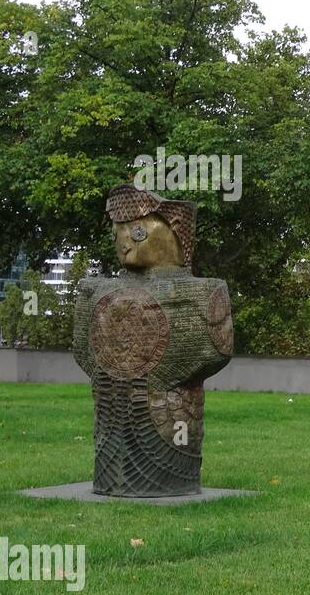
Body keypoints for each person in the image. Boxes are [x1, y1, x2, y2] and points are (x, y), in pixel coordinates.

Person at [72, 185, 233, 496]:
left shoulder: (202, 292)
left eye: (137, 232)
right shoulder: (94, 290)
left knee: (172, 443)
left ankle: (168, 483)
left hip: (170, 414)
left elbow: (215, 350)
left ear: (174, 232)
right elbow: (83, 349)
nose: (124, 243)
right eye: (118, 232)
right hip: (111, 409)